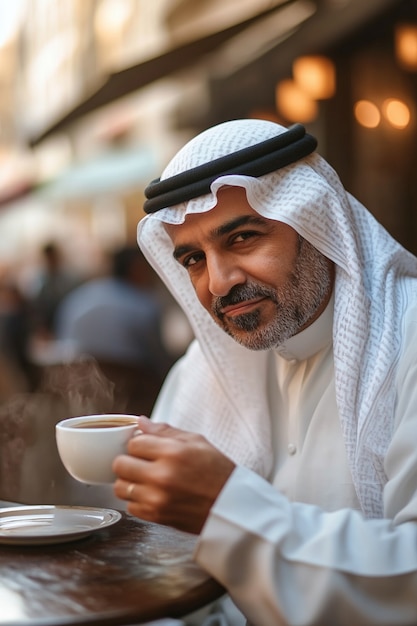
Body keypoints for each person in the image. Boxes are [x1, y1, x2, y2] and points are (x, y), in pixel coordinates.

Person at [112, 119, 417, 626]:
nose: (219, 282)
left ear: (316, 222)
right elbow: (157, 565)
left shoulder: (408, 337)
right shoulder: (201, 372)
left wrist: (226, 506)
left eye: (243, 238)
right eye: (193, 259)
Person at [55, 245, 173, 415]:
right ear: (137, 268)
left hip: (78, 393)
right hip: (132, 397)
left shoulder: (78, 296)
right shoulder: (143, 304)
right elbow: (158, 359)